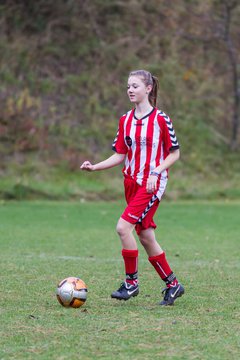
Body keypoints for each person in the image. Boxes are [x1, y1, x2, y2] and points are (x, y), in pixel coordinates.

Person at [80, 69, 184, 306]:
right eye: (128, 86)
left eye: (135, 86)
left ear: (148, 89)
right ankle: (173, 285)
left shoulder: (160, 119)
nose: (130, 90)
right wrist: (95, 167)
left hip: (152, 183)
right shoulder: (125, 120)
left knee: (122, 228)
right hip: (130, 182)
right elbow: (120, 154)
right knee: (146, 235)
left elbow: (174, 154)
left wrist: (156, 171)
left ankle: (131, 283)